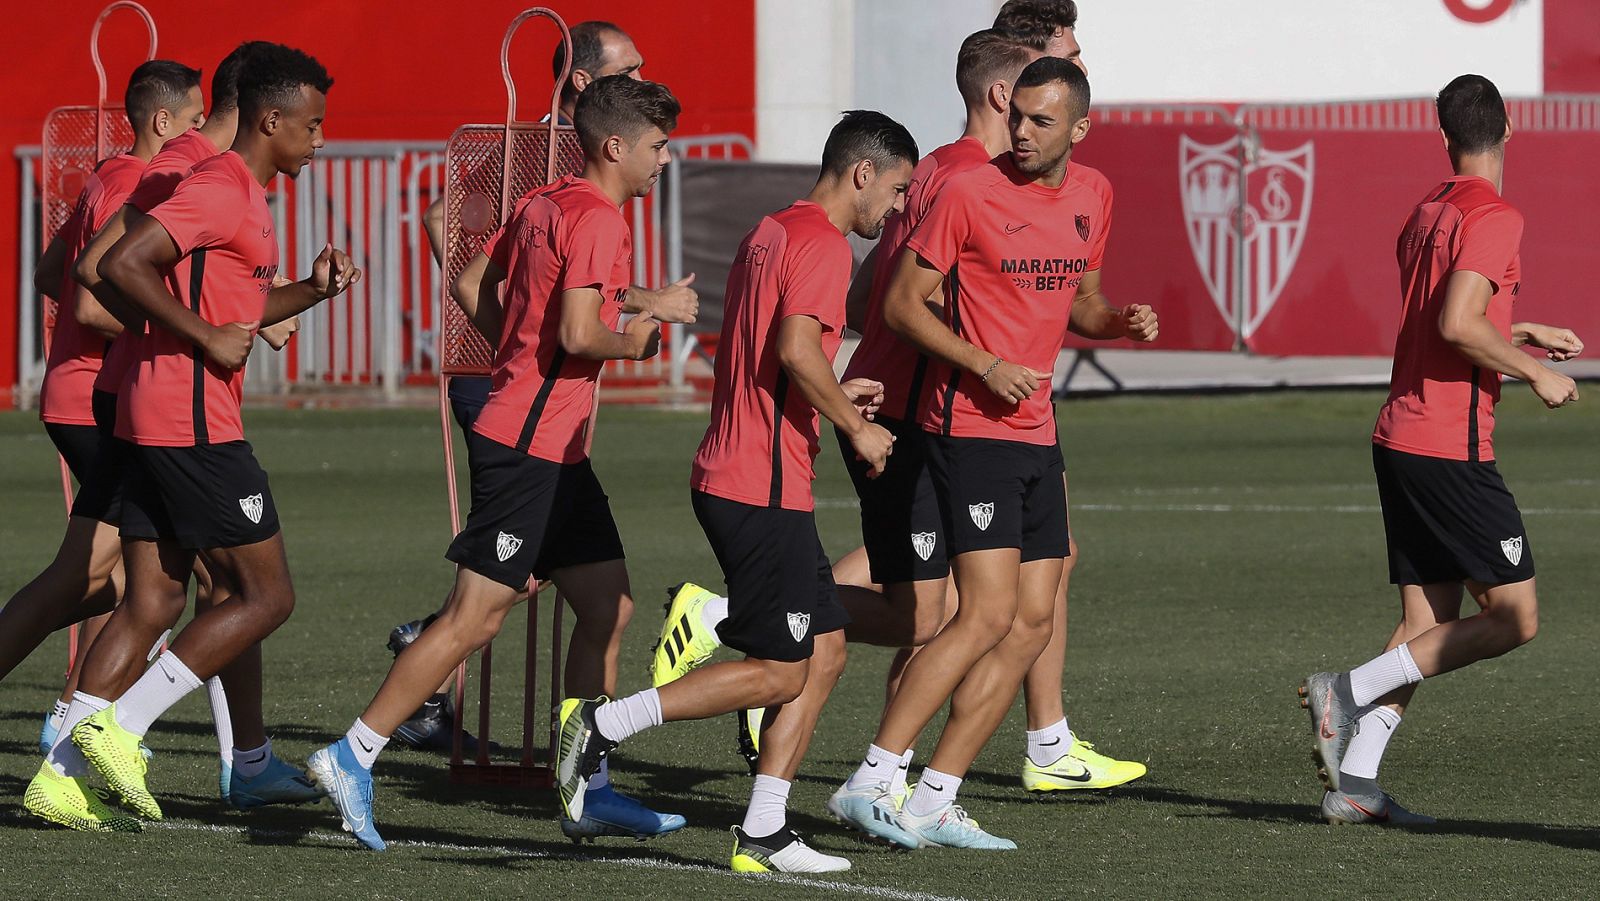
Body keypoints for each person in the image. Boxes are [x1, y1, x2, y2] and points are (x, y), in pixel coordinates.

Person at [652, 0, 1145, 797]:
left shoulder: (996, 183)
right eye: (1061, 64)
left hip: (952, 409)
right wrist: (980, 345)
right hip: (926, 415)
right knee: (948, 609)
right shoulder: (956, 178)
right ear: (1006, 92)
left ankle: (1004, 745)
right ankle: (769, 653)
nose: (1072, 81)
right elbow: (899, 295)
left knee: (973, 596)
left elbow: (870, 280)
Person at [307, 75, 683, 852]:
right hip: (527, 448)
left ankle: (590, 787)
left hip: (557, 448)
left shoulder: (546, 201)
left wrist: (515, 349)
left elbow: (474, 279)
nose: (666, 160)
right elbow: (582, 333)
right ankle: (353, 753)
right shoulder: (599, 221)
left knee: (607, 603)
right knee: (471, 618)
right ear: (615, 147)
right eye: (658, 146)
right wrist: (640, 335)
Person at [555, 109, 916, 875]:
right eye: (895, 190)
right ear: (862, 173)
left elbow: (773, 353)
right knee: (785, 668)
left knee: (824, 651)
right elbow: (791, 347)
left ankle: (763, 829)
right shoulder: (821, 241)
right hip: (761, 482)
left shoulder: (773, 229)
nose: (895, 210)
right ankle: (605, 722)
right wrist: (855, 423)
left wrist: (840, 387)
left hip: (742, 470)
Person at [28, 42, 356, 834]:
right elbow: (116, 267)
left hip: (148, 413)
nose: (320, 142)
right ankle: (123, 724)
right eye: (311, 127)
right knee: (265, 593)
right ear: (269, 120)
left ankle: (61, 774)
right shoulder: (220, 187)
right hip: (192, 421)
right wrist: (205, 337)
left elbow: (212, 301)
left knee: (151, 599)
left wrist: (309, 291)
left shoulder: (218, 184)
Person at [834, 57, 1157, 850]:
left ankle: (935, 796)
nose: (1021, 132)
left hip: (1037, 432)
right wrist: (983, 363)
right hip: (967, 431)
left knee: (1030, 621)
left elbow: (1079, 298)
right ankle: (872, 776)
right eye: (1017, 116)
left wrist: (1115, 322)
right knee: (979, 614)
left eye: (1042, 122)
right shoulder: (968, 191)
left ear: (1079, 128)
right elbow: (902, 304)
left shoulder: (1093, 194)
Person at [387, 19, 697, 755]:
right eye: (631, 68)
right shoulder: (535, 153)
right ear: (586, 86)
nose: (645, 75)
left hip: (539, 383)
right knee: (500, 585)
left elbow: (570, 288)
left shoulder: (582, 162)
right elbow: (445, 225)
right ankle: (413, 676)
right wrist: (518, 336)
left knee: (583, 583)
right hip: (515, 395)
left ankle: (568, 757)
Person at [1300, 73, 1582, 826]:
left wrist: (1521, 329)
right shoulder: (1496, 214)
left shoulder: (1428, 210)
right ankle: (1349, 689)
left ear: (1444, 135)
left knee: (1430, 627)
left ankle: (1355, 783)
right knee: (1515, 616)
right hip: (1446, 445)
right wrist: (1536, 372)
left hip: (1401, 434)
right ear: (1509, 130)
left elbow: (1440, 317)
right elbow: (1458, 323)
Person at [9, 59, 202, 832]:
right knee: (140, 579)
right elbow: (86, 295)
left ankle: (79, 731)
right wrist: (172, 334)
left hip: (85, 394)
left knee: (103, 580)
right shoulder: (132, 184)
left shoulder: (105, 176)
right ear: (163, 123)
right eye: (193, 123)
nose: (199, 139)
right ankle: (80, 738)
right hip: (100, 400)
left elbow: (51, 271)